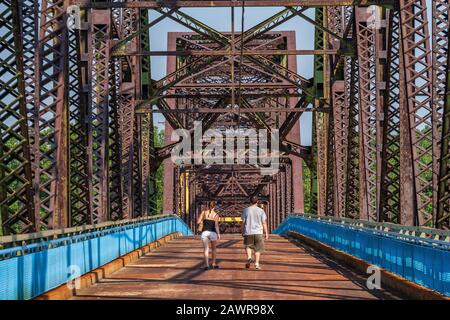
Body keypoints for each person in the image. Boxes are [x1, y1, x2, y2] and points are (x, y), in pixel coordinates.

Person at [241, 196, 269, 270]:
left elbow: (243, 222)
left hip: (248, 232)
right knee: (257, 249)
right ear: (257, 202)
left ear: (250, 202)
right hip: (258, 232)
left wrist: (242, 231)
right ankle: (256, 264)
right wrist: (266, 233)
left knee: (248, 246)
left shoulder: (246, 210)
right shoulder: (261, 211)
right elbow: (264, 222)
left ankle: (249, 257)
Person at [198, 201, 221, 270]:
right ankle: (213, 263)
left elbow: (198, 222)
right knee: (214, 249)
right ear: (214, 206)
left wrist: (202, 220)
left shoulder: (204, 212)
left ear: (208, 206)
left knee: (206, 249)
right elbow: (216, 226)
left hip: (204, 232)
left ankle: (207, 265)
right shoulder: (216, 215)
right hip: (213, 233)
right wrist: (218, 234)